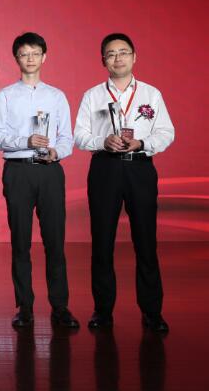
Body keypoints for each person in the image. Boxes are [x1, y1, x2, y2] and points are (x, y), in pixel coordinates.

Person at [74, 33, 174, 332]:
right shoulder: (93, 95)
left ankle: (152, 311)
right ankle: (103, 310)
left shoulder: (151, 94)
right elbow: (80, 135)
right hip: (105, 168)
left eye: (123, 52)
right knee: (102, 241)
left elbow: (166, 132)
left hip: (139, 168)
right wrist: (102, 141)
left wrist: (141, 142)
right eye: (111, 54)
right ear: (103, 60)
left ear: (134, 57)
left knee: (146, 241)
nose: (117, 58)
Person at [0, 32, 79, 329]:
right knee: (21, 241)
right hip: (18, 171)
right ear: (16, 58)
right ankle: (24, 306)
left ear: (44, 57)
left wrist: (57, 151)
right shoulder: (5, 95)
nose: (30, 58)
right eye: (24, 54)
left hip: (50, 170)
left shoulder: (56, 96)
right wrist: (25, 141)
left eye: (35, 53)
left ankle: (60, 306)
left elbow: (67, 137)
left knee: (55, 240)